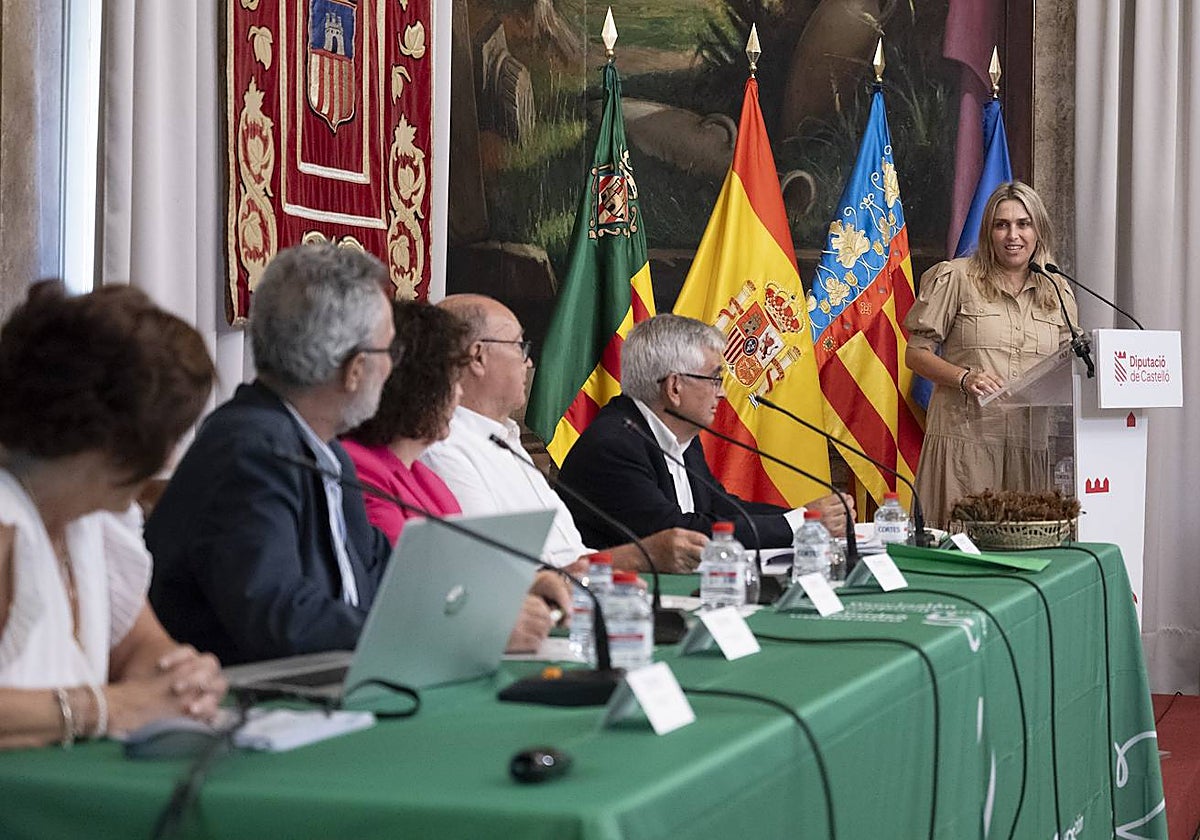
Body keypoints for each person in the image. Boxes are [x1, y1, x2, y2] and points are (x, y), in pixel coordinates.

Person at [0, 282, 226, 748]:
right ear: (109, 441)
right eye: (167, 438)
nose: (167, 462)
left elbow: (139, 646)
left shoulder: (94, 519)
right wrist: (112, 707)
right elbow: (120, 701)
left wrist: (179, 678)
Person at [421, 295, 709, 573]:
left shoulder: (505, 441)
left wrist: (639, 558)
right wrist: (641, 555)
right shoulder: (444, 449)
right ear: (478, 357)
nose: (529, 362)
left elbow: (571, 554)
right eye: (520, 347)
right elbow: (500, 573)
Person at [342, 300, 567, 651]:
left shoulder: (423, 478)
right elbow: (411, 588)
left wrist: (529, 583)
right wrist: (488, 623)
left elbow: (463, 574)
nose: (458, 393)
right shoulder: (359, 469)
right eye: (450, 380)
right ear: (417, 385)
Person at [556, 313, 853, 551]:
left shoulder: (678, 432)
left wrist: (808, 517)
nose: (722, 393)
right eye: (714, 378)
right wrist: (802, 523)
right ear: (674, 387)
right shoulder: (613, 446)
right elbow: (678, 534)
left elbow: (721, 507)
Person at [904, 181, 1079, 528]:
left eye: (1023, 224)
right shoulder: (956, 277)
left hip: (1030, 450)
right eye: (1002, 225)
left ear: (1038, 231)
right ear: (989, 232)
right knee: (961, 554)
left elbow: (1068, 363)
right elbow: (916, 354)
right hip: (966, 444)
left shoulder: (1057, 290)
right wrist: (964, 378)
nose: (1013, 235)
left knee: (1023, 558)